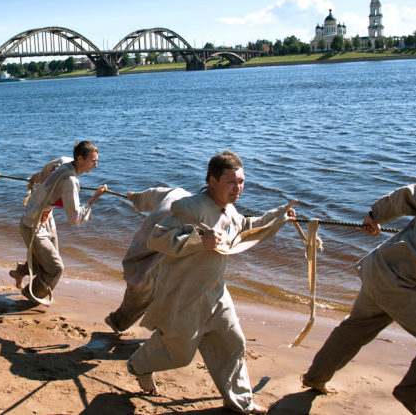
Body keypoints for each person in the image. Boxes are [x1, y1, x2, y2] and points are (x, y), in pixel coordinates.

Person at [127, 150, 296, 414]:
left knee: (233, 344)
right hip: (183, 297)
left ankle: (241, 402)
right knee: (179, 355)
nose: (238, 188)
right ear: (212, 180)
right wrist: (198, 240)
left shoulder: (228, 208)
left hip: (216, 294)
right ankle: (138, 365)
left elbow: (245, 227)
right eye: (231, 182)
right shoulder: (190, 208)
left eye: (241, 181)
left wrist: (279, 216)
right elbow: (157, 239)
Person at [302, 184, 416, 415]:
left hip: (378, 266)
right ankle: (411, 394)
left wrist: (375, 216)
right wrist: (376, 216)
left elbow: (407, 195)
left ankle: (316, 377)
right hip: (400, 286)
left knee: (355, 330)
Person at [9, 141, 107, 305]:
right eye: (93, 161)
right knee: (55, 268)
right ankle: (31, 295)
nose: (96, 165)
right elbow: (75, 219)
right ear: (80, 159)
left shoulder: (64, 161)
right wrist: (94, 198)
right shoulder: (70, 181)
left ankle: (20, 272)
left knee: (47, 259)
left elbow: (42, 174)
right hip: (32, 224)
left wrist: (36, 179)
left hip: (44, 218)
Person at [105, 186, 192, 335]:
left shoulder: (178, 192)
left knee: (144, 293)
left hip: (142, 250)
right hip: (148, 256)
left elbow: (151, 195)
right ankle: (117, 322)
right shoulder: (200, 213)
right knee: (141, 295)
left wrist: (135, 197)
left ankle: (121, 322)